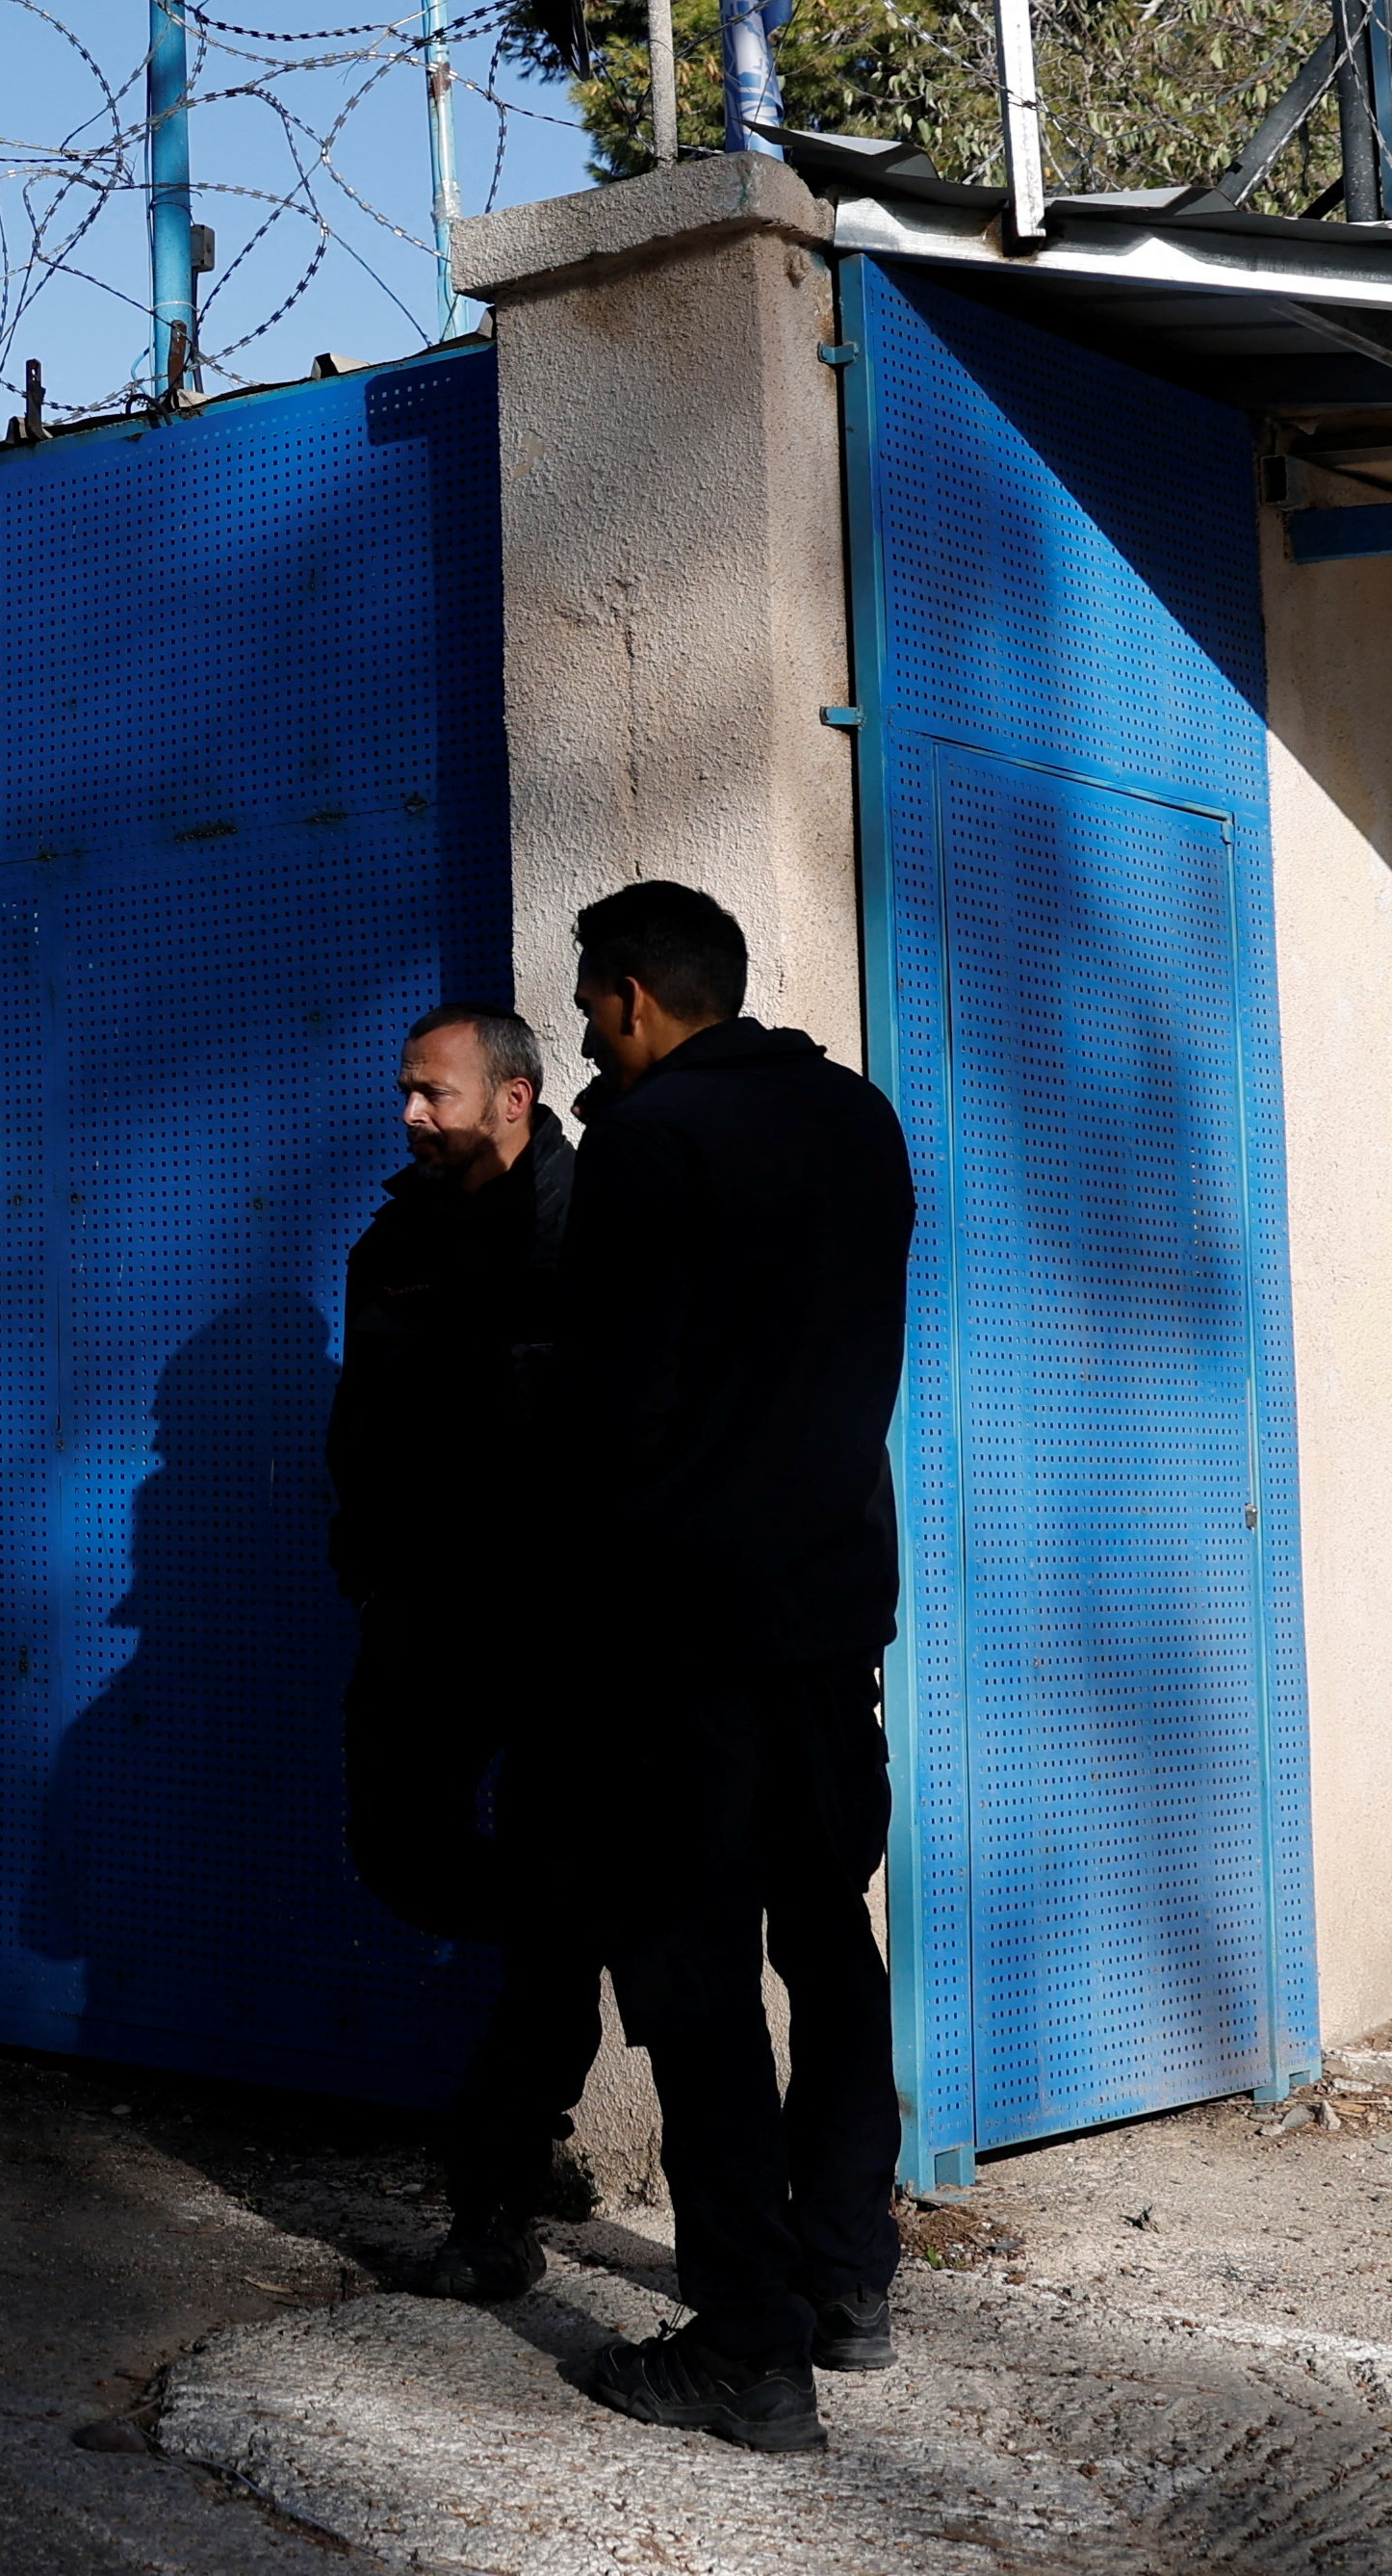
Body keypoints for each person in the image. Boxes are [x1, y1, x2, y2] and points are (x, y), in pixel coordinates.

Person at [539, 877, 916, 2457]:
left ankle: (747, 2342)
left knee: (693, 1982)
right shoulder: (858, 1119)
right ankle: (845, 2283)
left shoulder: (648, 1141)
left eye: (587, 1010)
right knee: (829, 1945)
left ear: (632, 997)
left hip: (687, 1640)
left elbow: (619, 1405)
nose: (582, 1040)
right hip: (830, 1615)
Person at [324, 1000, 605, 2303]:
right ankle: (573, 1933)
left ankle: (494, 2200)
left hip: (561, 1628)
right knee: (402, 1850)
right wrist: (370, 1573)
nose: (410, 1116)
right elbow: (360, 1425)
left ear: (517, 1095)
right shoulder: (393, 1239)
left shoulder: (598, 1227)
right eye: (405, 1093)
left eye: (433, 1093)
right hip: (427, 1617)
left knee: (555, 1884)